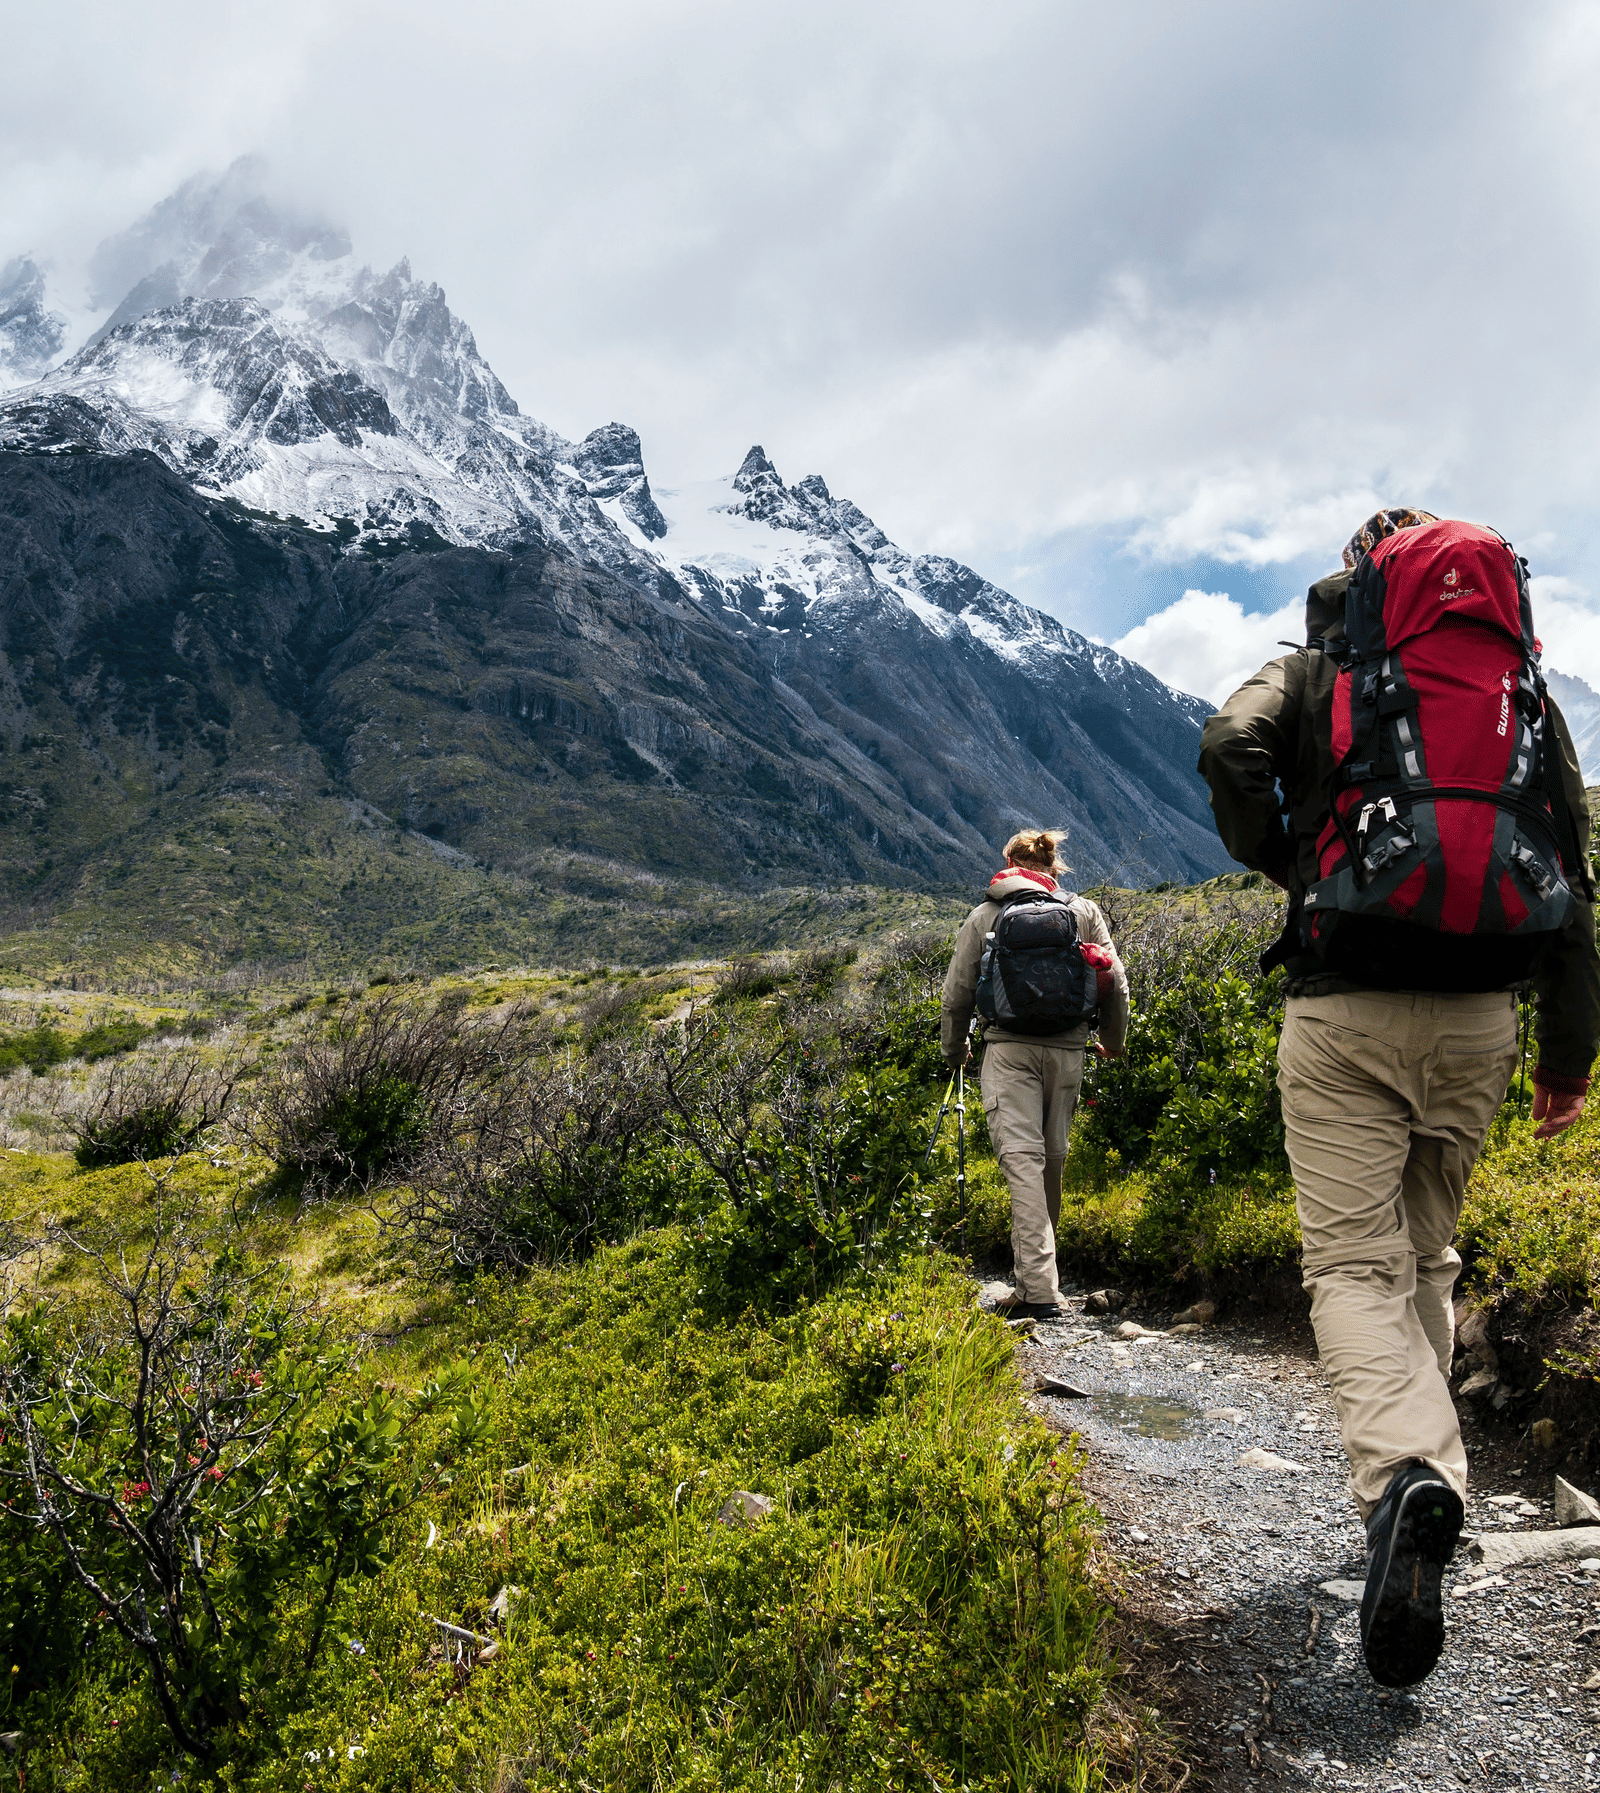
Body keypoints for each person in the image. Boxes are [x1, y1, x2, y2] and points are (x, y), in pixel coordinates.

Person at [1199, 507, 1600, 1689]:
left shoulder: (1322, 667)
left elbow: (1229, 745)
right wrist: (1567, 1057)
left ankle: (1403, 1482)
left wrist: (1289, 857)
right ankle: (1425, 1482)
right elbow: (1569, 868)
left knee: (1349, 1267)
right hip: (1480, 1017)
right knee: (1425, 1258)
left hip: (1345, 1006)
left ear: (1362, 576)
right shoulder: (1519, 690)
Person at [940, 828, 1130, 1320]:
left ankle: (1039, 1291)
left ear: (1008, 863)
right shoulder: (1083, 911)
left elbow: (957, 994)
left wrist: (956, 1049)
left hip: (1008, 1052)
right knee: (1051, 1160)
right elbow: (1117, 983)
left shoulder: (986, 914)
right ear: (1053, 866)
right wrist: (1112, 1040)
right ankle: (1038, 1279)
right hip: (1069, 1051)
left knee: (1022, 1161)